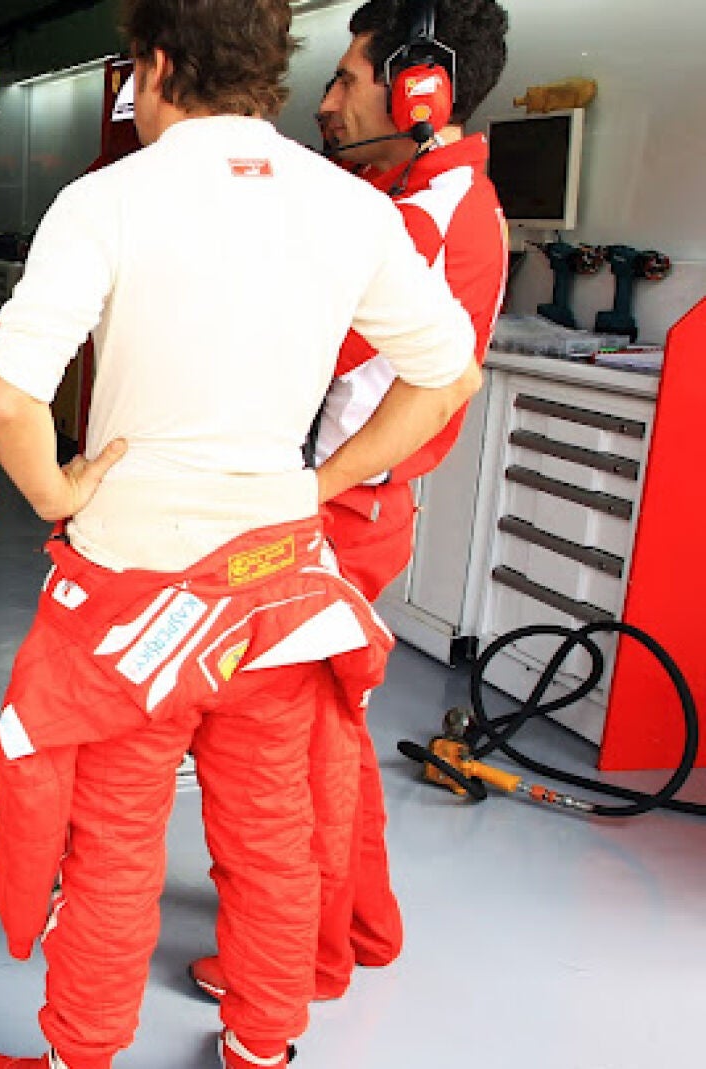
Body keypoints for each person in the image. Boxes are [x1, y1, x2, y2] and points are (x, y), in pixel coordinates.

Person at [0, 1, 483, 1067]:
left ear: (155, 65)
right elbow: (448, 374)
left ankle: (84, 1051)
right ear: (269, 73)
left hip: (133, 610)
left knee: (113, 848)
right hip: (275, 594)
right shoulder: (349, 208)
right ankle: (260, 1044)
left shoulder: (104, 201)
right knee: (271, 839)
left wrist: (58, 496)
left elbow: (12, 397)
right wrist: (323, 478)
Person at [189, 0, 511, 1007]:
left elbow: (302, 358)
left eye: (345, 78)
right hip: (360, 511)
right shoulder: (432, 195)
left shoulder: (419, 219)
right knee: (332, 739)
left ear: (420, 88)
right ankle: (364, 927)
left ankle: (302, 959)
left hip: (336, 517)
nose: (325, 103)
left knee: (283, 762)